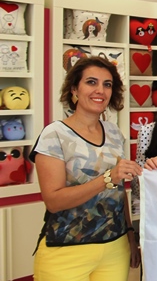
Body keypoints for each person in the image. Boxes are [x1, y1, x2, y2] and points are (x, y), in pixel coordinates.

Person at [29, 56, 142, 280]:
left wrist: (130, 234)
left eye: (107, 84)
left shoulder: (114, 133)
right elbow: (53, 201)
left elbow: (119, 192)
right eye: (91, 82)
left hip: (115, 248)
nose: (100, 90)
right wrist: (107, 178)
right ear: (74, 89)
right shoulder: (55, 134)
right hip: (66, 250)